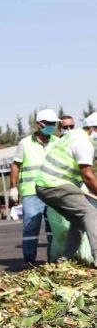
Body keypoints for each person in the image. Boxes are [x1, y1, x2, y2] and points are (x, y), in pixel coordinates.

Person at [35, 113, 97, 265]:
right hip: (55, 184)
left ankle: (64, 260)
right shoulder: (84, 143)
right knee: (90, 212)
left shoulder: (75, 136)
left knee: (78, 220)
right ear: (92, 128)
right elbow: (87, 175)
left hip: (45, 185)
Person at [9, 109, 59, 269]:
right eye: (49, 124)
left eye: (54, 124)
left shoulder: (57, 142)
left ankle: (54, 258)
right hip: (32, 192)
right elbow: (16, 165)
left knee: (54, 226)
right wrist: (13, 188)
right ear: (39, 124)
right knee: (31, 226)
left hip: (53, 190)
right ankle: (29, 259)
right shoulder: (25, 143)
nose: (52, 126)